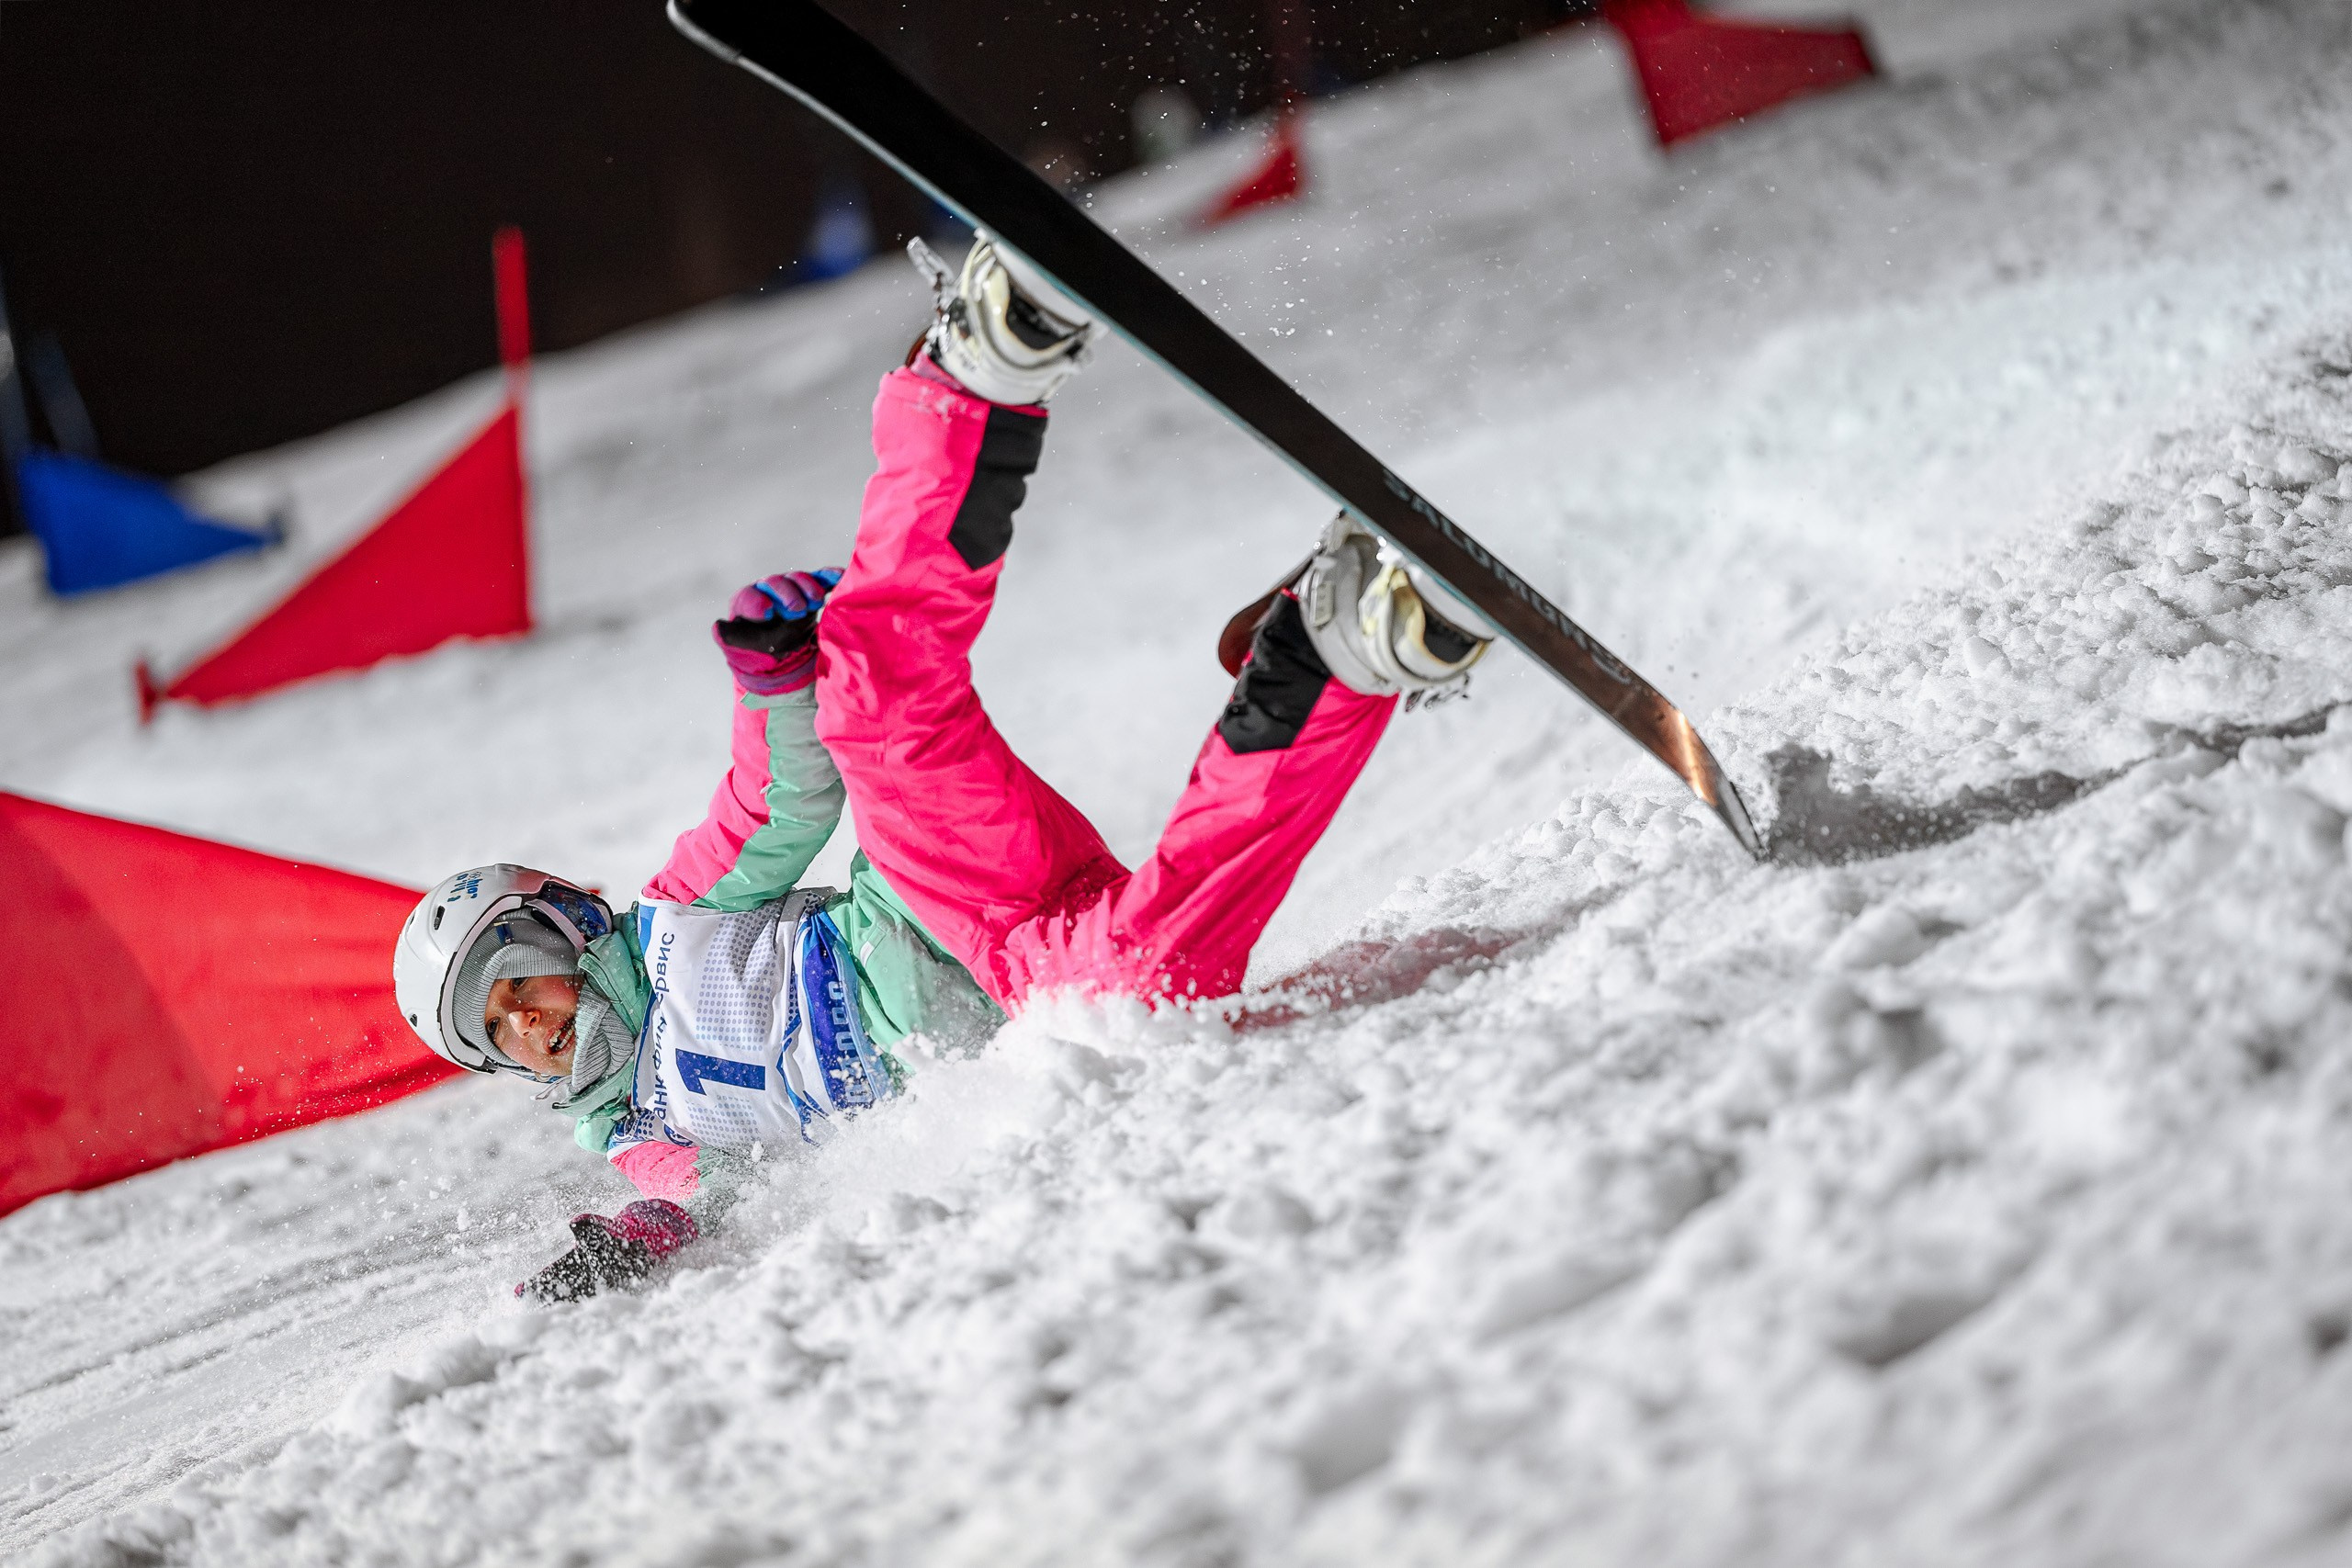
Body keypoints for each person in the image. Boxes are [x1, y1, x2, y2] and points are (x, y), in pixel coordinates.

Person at [390, 237, 1496, 1301]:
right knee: (1147, 995)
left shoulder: (676, 925)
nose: (527, 1026)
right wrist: (646, 1233)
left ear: (566, 919)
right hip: (1018, 998)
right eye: (495, 1035)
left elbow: (781, 802)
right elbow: (718, 1191)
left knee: (871, 703)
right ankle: (1341, 653)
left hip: (933, 887)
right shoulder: (641, 1133)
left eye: (514, 982)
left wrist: (776, 687)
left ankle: (978, 372)